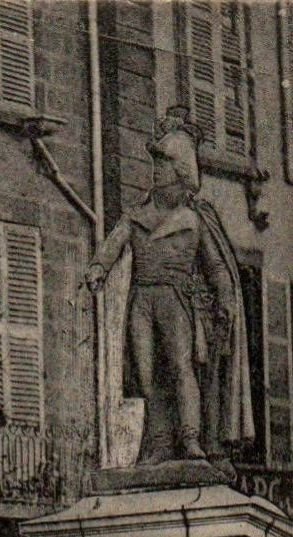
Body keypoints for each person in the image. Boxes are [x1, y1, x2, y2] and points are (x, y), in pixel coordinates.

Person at [85, 106, 250, 464]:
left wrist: (225, 297)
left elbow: (217, 266)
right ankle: (158, 442)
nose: (156, 170)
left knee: (180, 368)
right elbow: (113, 244)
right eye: (156, 163)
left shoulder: (195, 218)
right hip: (142, 299)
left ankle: (190, 439)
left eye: (163, 164)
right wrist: (99, 266)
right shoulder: (137, 214)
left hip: (177, 301)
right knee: (146, 376)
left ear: (179, 171)